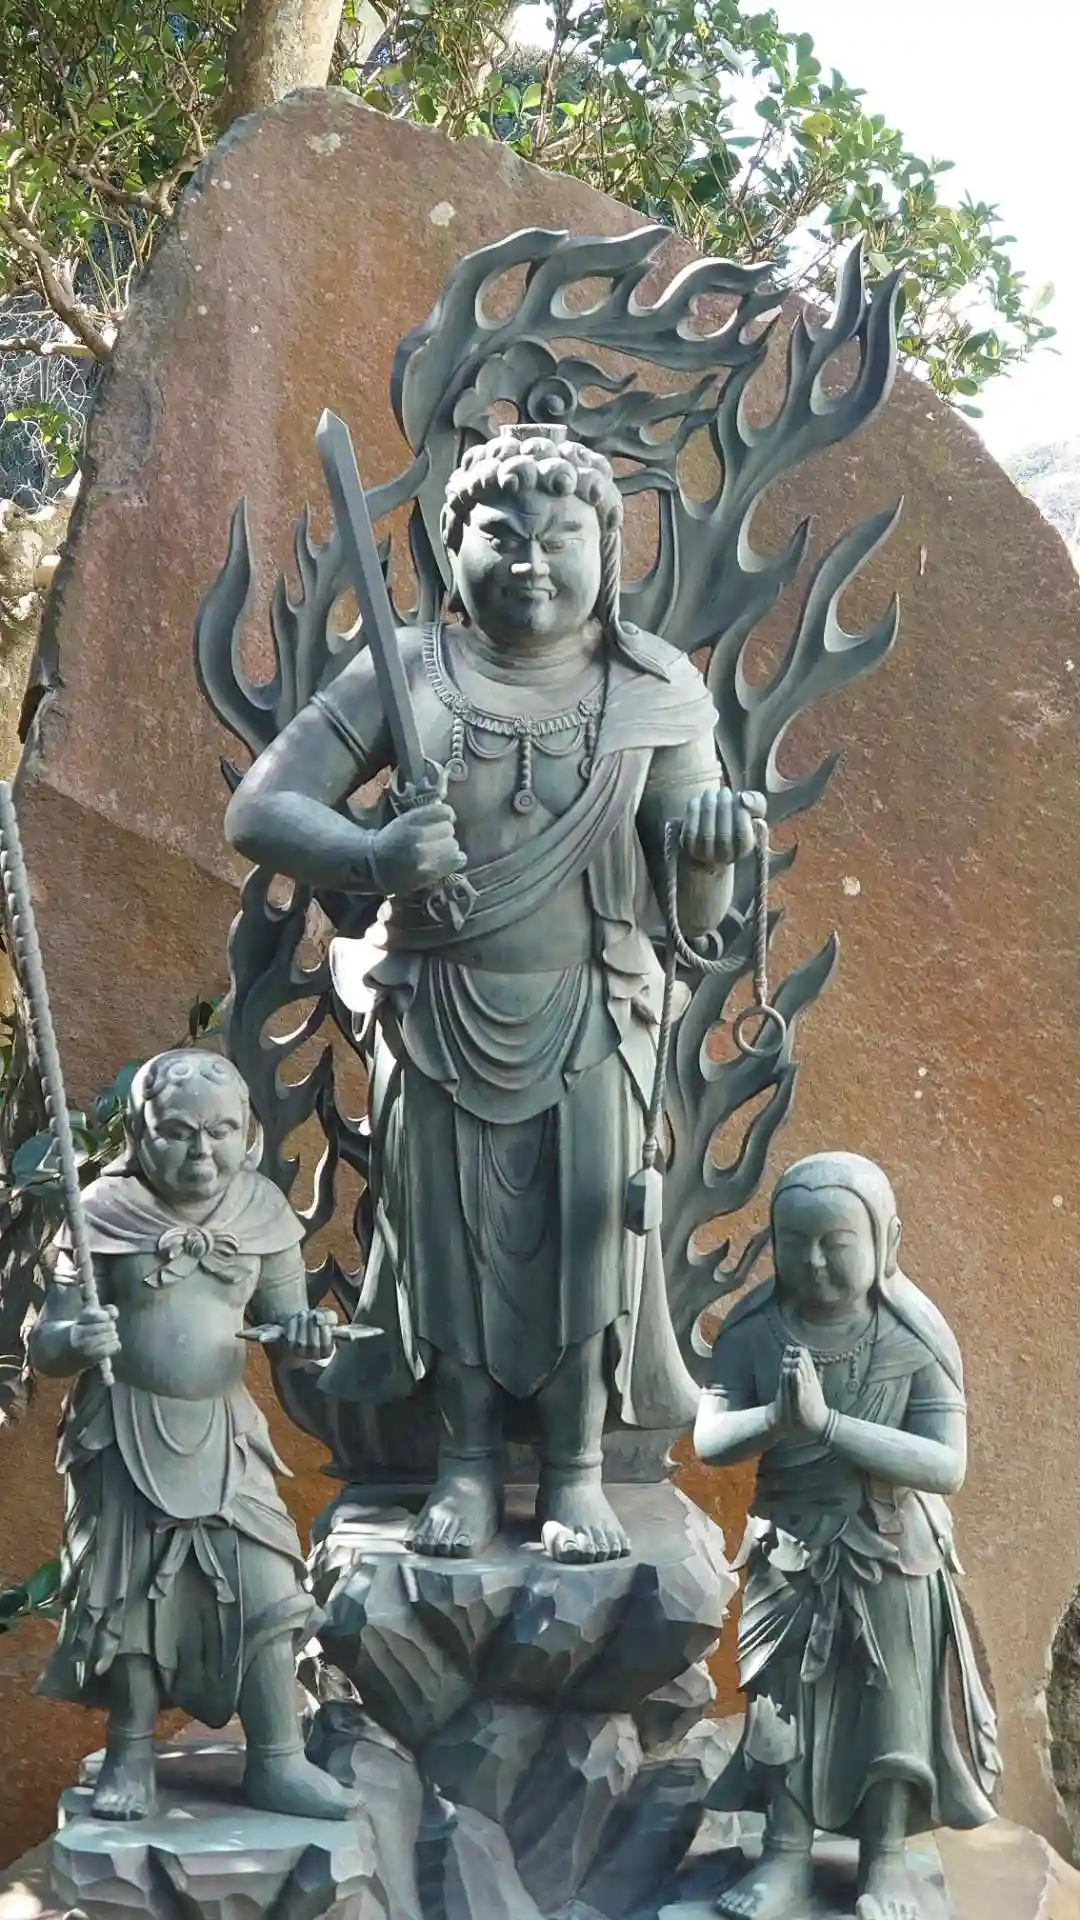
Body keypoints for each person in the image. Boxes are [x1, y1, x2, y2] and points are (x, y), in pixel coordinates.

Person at [225, 423, 761, 1564]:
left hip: (593, 1012)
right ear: (452, 547)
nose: (532, 562)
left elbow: (692, 908)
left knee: (590, 1243)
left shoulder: (652, 686)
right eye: (502, 536)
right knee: (446, 1246)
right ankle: (464, 1464)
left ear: (607, 553)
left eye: (562, 538)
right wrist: (371, 856)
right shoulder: (408, 671)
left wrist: (714, 850)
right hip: (438, 1007)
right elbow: (263, 809)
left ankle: (576, 1467)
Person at [30, 1050, 357, 1823]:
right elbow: (44, 1343)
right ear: (140, 1136)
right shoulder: (100, 1209)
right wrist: (76, 1338)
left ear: (248, 1133)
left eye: (220, 1132)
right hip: (122, 1429)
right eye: (176, 1133)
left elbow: (286, 1329)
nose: (201, 1153)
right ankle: (129, 1753)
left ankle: (277, 1759)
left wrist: (307, 1335)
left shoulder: (262, 1209)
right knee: (128, 1596)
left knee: (267, 1585)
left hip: (224, 1431)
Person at [694, 1152, 1000, 1920]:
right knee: (782, 1702)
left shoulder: (914, 1334)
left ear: (886, 1243)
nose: (815, 1262)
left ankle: (886, 1860)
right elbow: (710, 1438)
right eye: (795, 1243)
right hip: (790, 1546)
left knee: (890, 1707)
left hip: (893, 1549)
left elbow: (946, 1465)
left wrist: (828, 1425)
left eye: (837, 1244)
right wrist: (776, 1419)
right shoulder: (756, 1328)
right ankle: (784, 1854)